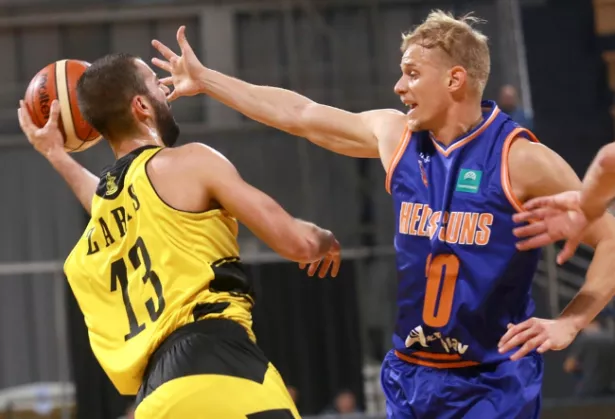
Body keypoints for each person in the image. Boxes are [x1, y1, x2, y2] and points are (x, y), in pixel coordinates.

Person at [151, 10, 615, 418]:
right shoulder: (397, 137)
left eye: (412, 74)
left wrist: (571, 321)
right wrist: (207, 80)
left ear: (454, 80)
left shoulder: (520, 159)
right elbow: (299, 114)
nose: (399, 87)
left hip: (491, 381)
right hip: (411, 374)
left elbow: (610, 239)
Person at [17, 53, 342, 418]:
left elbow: (99, 198)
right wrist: (323, 238)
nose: (164, 89)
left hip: (154, 400)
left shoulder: (108, 211)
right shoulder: (191, 162)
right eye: (155, 83)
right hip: (221, 368)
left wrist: (54, 153)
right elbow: (297, 242)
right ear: (141, 105)